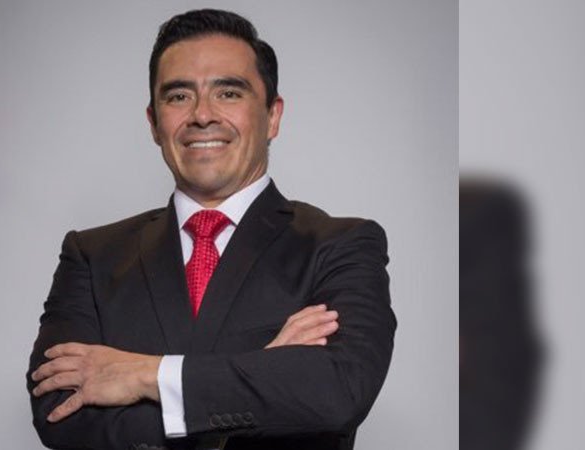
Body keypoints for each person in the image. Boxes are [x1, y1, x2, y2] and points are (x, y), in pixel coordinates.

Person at [27, 9, 396, 450]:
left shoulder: (340, 246)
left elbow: (337, 391)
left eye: (228, 92)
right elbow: (58, 413)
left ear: (272, 116)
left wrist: (145, 375)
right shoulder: (91, 255)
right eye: (179, 96)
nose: (202, 115)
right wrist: (263, 374)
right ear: (154, 122)